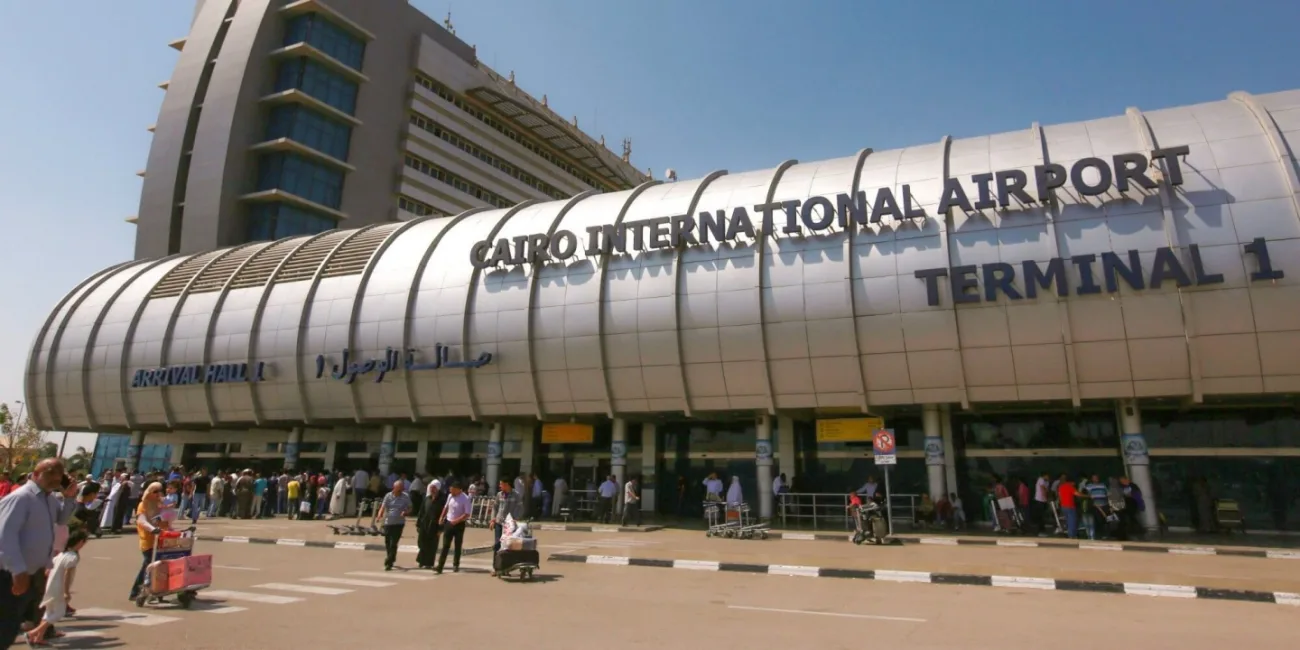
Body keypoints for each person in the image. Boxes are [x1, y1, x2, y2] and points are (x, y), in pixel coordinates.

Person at [0, 460, 79, 650]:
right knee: (4, 626)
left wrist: (69, 497)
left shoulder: (49, 499)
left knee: (12, 625)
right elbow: (5, 537)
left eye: (59, 474)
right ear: (35, 474)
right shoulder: (20, 498)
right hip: (10, 574)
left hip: (33, 573)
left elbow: (62, 520)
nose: (56, 478)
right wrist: (18, 571)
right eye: (50, 473)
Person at [25, 529, 87, 646]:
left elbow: (47, 571)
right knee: (58, 613)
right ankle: (32, 633)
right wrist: (66, 592)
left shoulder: (61, 555)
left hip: (50, 586)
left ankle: (39, 638)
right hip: (58, 588)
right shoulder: (72, 557)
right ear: (80, 542)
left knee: (49, 613)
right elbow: (67, 574)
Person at [129, 483, 166, 601]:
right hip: (147, 540)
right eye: (155, 492)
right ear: (149, 493)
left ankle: (157, 591)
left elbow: (164, 518)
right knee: (148, 566)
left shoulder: (158, 504)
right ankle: (135, 592)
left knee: (160, 567)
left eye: (159, 491)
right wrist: (152, 529)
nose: (158, 494)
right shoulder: (143, 504)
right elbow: (141, 520)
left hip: (160, 539)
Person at [375, 481, 412, 571]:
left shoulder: (405, 496)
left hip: (399, 523)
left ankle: (389, 562)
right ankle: (391, 557)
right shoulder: (388, 496)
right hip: (388, 522)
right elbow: (383, 507)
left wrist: (406, 512)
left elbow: (410, 507)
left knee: (393, 543)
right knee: (388, 542)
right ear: (394, 488)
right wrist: (379, 515)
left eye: (401, 489)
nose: (400, 491)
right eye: (399, 489)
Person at [436, 482, 471, 575]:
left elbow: (467, 514)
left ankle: (456, 564)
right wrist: (441, 517)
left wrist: (457, 520)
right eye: (450, 490)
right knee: (445, 545)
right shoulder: (450, 496)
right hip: (449, 522)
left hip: (459, 524)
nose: (451, 492)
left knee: (457, 545)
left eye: (453, 490)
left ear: (458, 489)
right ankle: (440, 566)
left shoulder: (465, 498)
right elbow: (446, 507)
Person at [490, 479, 524, 564]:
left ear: (507, 484)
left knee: (508, 545)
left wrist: (516, 518)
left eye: (501, 484)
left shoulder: (516, 495)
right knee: (498, 543)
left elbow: (520, 508)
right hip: (499, 522)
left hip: (510, 525)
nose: (500, 486)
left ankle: (507, 565)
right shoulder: (499, 494)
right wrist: (492, 520)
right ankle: (496, 565)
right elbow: (495, 507)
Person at [416, 481, 446, 569]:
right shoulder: (427, 499)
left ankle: (428, 563)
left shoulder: (442, 500)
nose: (432, 489)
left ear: (438, 489)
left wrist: (441, 529)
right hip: (424, 524)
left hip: (435, 525)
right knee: (422, 543)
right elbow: (421, 512)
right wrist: (418, 524)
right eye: (431, 487)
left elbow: (444, 515)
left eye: (434, 488)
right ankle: (422, 560)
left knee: (432, 545)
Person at [1056, 474, 1078, 539]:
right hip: (1070, 506)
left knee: (1068, 520)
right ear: (1071, 482)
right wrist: (1087, 496)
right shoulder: (1070, 486)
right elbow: (1077, 493)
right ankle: (1071, 535)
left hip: (1063, 506)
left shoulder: (1061, 486)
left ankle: (1069, 533)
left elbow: (1059, 496)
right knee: (1072, 521)